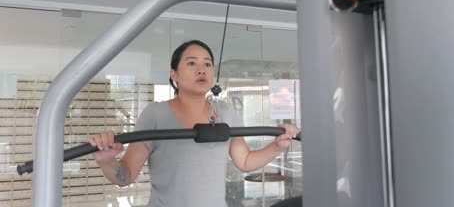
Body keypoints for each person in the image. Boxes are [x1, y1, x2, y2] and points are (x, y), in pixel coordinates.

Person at [88, 40, 300, 207]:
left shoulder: (224, 112)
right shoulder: (156, 114)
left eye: (207, 64)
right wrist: (108, 161)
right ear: (174, 75)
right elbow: (126, 176)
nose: (202, 69)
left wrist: (277, 146)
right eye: (191, 63)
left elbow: (244, 161)